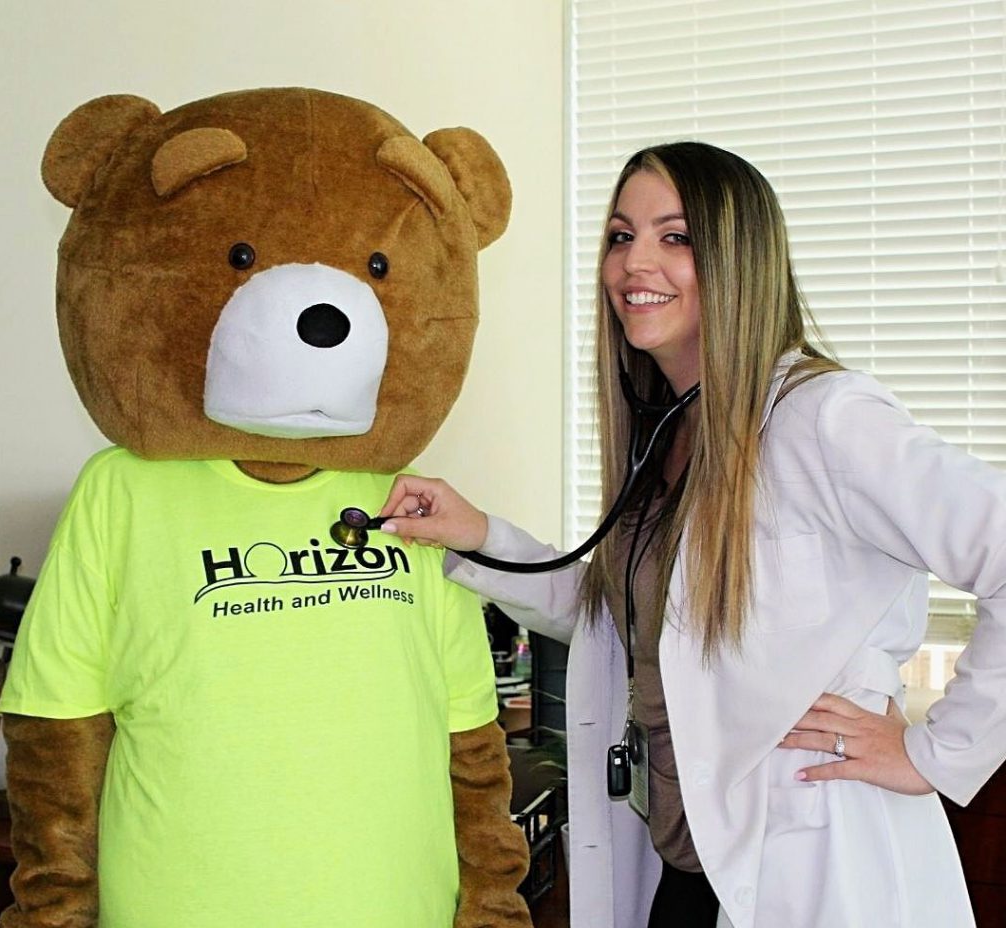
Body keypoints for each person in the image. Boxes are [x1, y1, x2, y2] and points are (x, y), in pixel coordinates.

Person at [376, 141, 1006, 928]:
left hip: (815, 862)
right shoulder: (667, 427)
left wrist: (937, 755)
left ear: (738, 258)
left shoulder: (822, 417)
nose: (635, 263)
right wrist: (472, 535)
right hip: (687, 867)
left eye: (676, 238)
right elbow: (634, 620)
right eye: (619, 235)